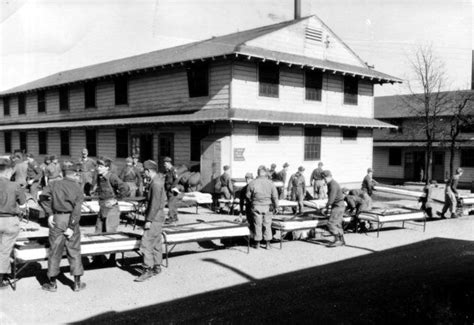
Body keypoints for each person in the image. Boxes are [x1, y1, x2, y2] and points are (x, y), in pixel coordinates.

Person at [40, 163, 86, 292]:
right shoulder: (77, 187)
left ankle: (52, 283)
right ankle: (77, 283)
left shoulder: (54, 184)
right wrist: (71, 226)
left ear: (62, 173)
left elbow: (42, 197)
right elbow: (77, 210)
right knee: (74, 250)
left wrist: (49, 214)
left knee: (54, 251)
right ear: (75, 174)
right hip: (71, 219)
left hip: (57, 219)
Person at [135, 160, 166, 282]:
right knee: (156, 242)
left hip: (154, 217)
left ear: (148, 171)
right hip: (158, 216)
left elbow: (155, 204)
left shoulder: (156, 184)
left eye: (145, 171)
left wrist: (148, 220)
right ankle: (157, 266)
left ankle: (147, 269)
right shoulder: (157, 181)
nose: (144, 173)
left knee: (146, 242)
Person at [94, 157, 129, 264]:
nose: (98, 168)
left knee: (111, 233)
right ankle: (98, 258)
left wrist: (115, 200)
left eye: (100, 166)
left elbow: (125, 188)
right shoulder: (100, 177)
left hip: (112, 210)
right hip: (103, 208)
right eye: (97, 166)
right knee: (98, 233)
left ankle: (112, 259)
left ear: (107, 168)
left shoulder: (112, 177)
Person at [0, 158, 27, 289]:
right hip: (10, 221)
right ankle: (1, 279)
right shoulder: (15, 185)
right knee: (5, 251)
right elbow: (22, 204)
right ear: (9, 171)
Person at [246, 166, 279, 249]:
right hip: (268, 206)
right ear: (265, 173)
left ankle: (257, 243)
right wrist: (276, 206)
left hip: (256, 206)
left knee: (257, 224)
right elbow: (275, 196)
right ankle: (268, 244)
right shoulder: (270, 183)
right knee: (267, 224)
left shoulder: (252, 183)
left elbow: (247, 196)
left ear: (258, 173)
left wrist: (253, 202)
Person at [322, 170, 346, 247]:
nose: (324, 180)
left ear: (329, 177)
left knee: (331, 223)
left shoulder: (332, 185)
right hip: (340, 205)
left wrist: (325, 208)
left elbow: (331, 199)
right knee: (338, 224)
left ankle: (337, 240)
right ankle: (342, 240)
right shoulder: (332, 183)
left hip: (337, 206)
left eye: (324, 178)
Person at [163, 157, 179, 223]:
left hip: (171, 189)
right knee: (173, 203)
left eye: (165, 164)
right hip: (168, 188)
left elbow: (176, 179)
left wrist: (172, 187)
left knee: (171, 204)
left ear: (168, 163)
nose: (164, 165)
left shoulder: (173, 170)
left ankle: (171, 218)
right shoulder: (167, 170)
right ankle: (175, 217)